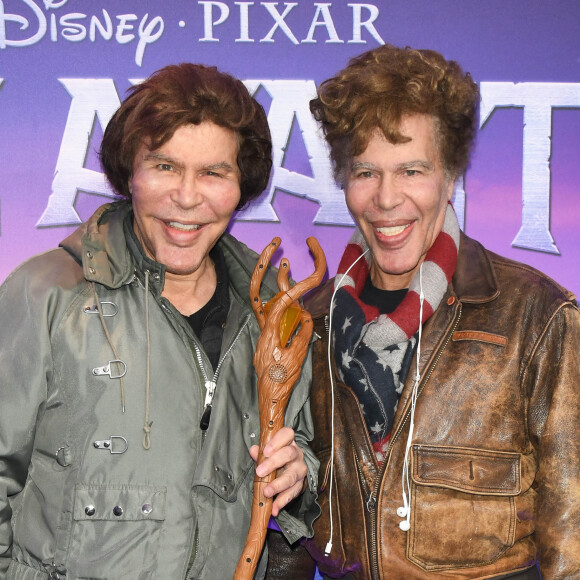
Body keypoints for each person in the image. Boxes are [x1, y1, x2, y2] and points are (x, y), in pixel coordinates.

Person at [266, 45, 580, 579]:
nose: (387, 199)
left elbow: (572, 533)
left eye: (412, 170)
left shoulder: (537, 314)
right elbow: (291, 520)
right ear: (344, 180)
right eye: (366, 172)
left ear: (450, 176)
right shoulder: (310, 322)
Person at [0, 63, 319, 579]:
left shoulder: (276, 317)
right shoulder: (46, 294)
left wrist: (301, 474)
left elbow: (305, 449)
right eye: (165, 166)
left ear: (243, 187)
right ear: (131, 173)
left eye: (214, 173)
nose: (188, 197)